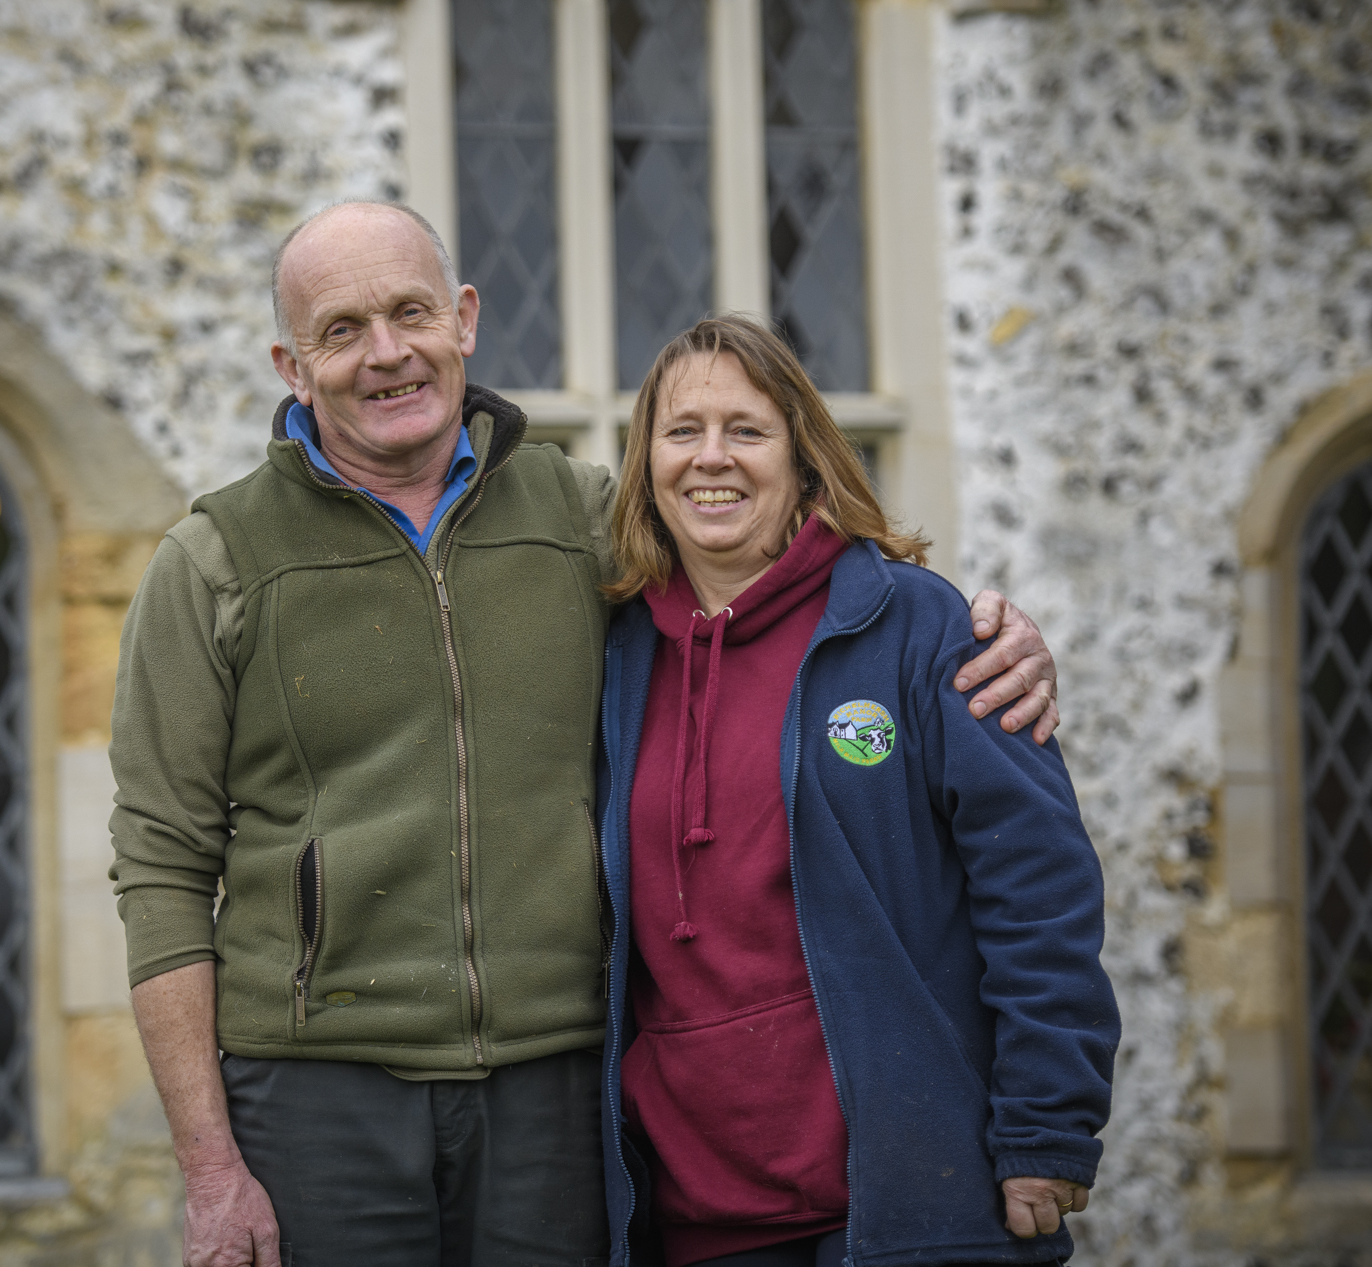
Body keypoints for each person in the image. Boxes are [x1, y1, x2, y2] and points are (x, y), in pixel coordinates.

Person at [108, 202, 1064, 1267]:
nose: (386, 353)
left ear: (463, 319)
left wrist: (973, 632)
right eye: (340, 330)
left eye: (411, 311)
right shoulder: (212, 562)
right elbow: (159, 869)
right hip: (317, 1089)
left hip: (553, 1091)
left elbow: (750, 542)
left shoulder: (581, 516)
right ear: (291, 364)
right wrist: (207, 1167)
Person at [594, 317, 1119, 1267]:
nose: (711, 457)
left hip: (907, 1200)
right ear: (645, 463)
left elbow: (1038, 886)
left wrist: (1048, 1125)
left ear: (803, 458)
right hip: (693, 1215)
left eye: (746, 430)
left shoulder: (919, 627)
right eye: (682, 431)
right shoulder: (613, 656)